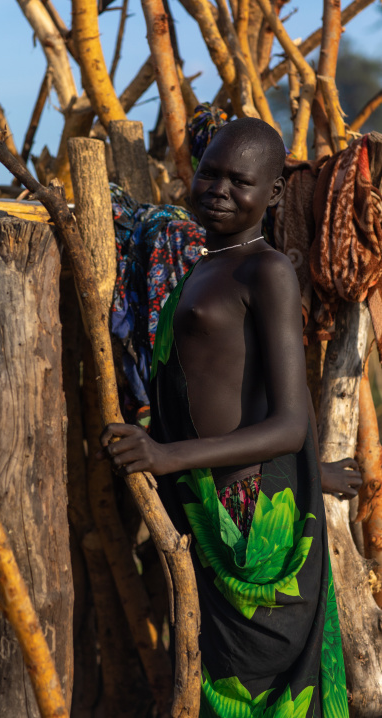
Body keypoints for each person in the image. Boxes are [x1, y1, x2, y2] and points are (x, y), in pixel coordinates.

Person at [99, 117, 349, 717]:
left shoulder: (266, 272)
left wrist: (165, 456)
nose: (218, 189)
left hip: (251, 516)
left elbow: (289, 422)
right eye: (209, 173)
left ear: (275, 194)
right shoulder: (194, 263)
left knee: (248, 692)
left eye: (240, 181)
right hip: (206, 506)